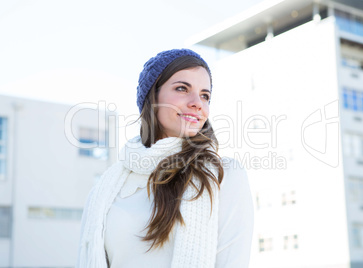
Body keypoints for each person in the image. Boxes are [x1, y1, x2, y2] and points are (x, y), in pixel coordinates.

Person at [76, 48, 254, 268]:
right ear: (153, 95)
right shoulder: (107, 187)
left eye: (205, 95)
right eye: (182, 88)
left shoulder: (224, 175)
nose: (197, 102)